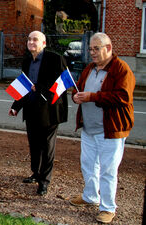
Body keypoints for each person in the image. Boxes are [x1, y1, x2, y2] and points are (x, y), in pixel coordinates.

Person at [69, 32, 135, 224]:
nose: (92, 52)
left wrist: (93, 97)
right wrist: (76, 95)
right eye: (90, 49)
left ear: (108, 48)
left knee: (108, 170)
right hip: (89, 129)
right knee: (88, 165)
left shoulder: (121, 69)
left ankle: (108, 208)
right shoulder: (90, 68)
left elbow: (123, 97)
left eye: (96, 48)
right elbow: (79, 88)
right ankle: (90, 196)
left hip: (111, 130)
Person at [8, 31, 68, 196]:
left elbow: (61, 84)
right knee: (34, 144)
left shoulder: (55, 59)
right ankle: (36, 173)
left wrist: (39, 87)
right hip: (31, 108)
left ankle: (44, 181)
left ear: (44, 43)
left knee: (47, 147)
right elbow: (24, 85)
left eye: (35, 39)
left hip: (49, 110)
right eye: (29, 39)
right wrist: (16, 106)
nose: (31, 42)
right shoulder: (27, 60)